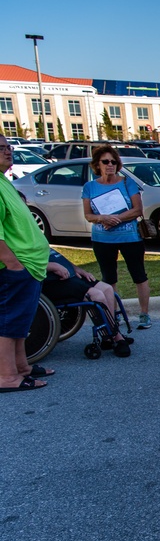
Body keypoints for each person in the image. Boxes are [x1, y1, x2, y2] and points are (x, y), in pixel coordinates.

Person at [81, 145, 153, 330]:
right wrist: (102, 218)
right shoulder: (89, 187)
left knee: (139, 275)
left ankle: (144, 314)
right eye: (105, 162)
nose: (110, 165)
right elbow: (88, 215)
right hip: (102, 240)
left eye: (113, 162)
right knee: (109, 278)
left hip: (131, 237)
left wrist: (115, 219)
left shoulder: (126, 182)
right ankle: (113, 315)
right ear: (98, 164)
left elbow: (137, 210)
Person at [0, 134, 51, 392]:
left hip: (29, 264)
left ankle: (22, 368)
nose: (8, 152)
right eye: (1, 148)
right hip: (16, 266)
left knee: (19, 323)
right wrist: (13, 264)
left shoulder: (3, 181)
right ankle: (6, 376)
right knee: (8, 324)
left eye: (8, 147)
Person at [44, 248, 132, 357]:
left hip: (65, 274)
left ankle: (108, 336)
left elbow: (54, 256)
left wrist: (75, 268)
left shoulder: (33, 233)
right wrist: (52, 266)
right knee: (96, 296)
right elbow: (24, 265)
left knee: (107, 289)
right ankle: (116, 337)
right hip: (49, 281)